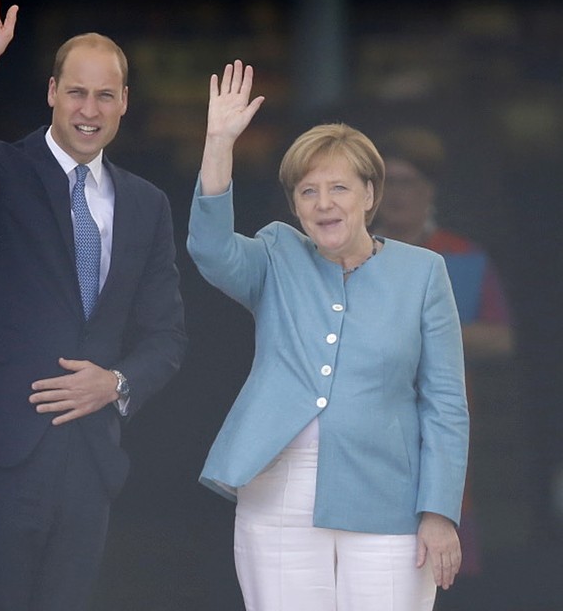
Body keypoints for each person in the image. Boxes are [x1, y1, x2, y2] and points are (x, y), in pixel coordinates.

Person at [0, 0, 186, 611]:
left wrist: (118, 383)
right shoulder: (1, 169)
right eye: (76, 92)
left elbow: (167, 336)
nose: (89, 110)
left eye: (104, 96)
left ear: (125, 101)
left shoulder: (147, 205)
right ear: (51, 93)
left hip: (87, 458)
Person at [186, 61, 469, 610]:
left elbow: (446, 405)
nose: (323, 203)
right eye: (308, 191)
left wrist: (438, 511)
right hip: (278, 491)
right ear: (295, 207)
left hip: (389, 496)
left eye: (339, 187)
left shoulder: (423, 272)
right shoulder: (275, 254)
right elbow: (210, 249)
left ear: (370, 194)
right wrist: (219, 143)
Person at [373, 125, 515, 579]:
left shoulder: (462, 257)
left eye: (406, 182)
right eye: (385, 183)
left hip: (443, 420)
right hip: (369, 424)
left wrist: (427, 332)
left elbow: (502, 338)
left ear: (429, 190)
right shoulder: (349, 253)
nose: (395, 194)